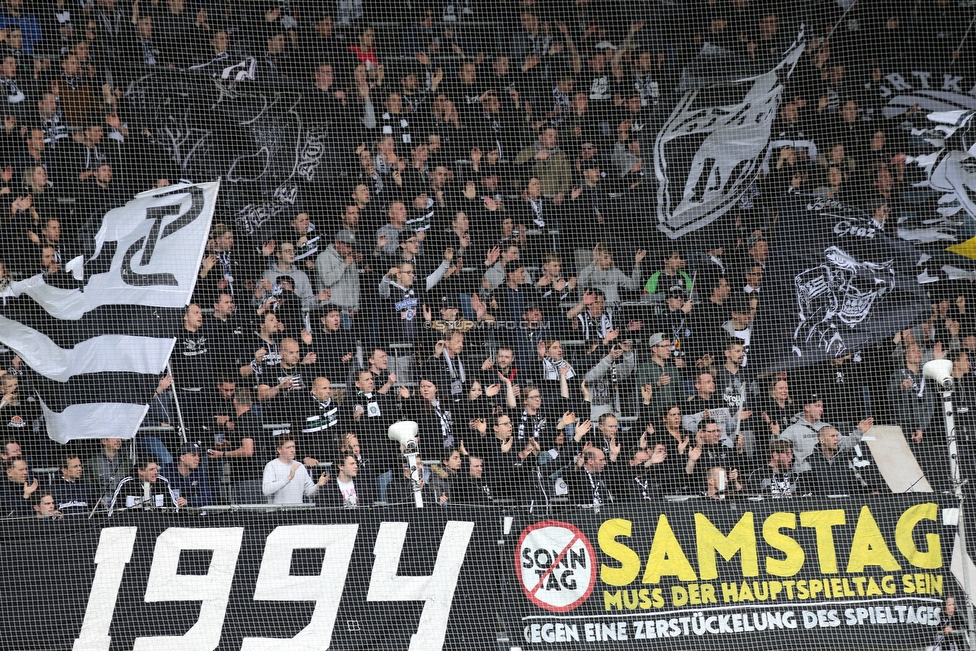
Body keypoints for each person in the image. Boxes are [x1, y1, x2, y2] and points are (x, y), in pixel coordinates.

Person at [262, 436, 329, 505]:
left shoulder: (299, 466)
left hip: (298, 512)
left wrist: (318, 486)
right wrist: (288, 478)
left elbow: (310, 493)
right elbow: (266, 490)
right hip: (277, 512)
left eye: (293, 447)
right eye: (288, 447)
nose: (292, 450)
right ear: (279, 450)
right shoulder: (271, 466)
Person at [108, 457, 181, 516]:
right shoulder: (126, 484)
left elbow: (174, 508)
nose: (156, 472)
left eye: (156, 469)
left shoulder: (163, 482)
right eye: (151, 469)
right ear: (140, 471)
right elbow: (113, 510)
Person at [162, 442, 212, 508]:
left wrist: (187, 501)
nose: (197, 458)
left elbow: (207, 498)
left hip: (194, 515)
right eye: (193, 455)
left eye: (198, 455)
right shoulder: (166, 472)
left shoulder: (200, 473)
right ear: (182, 458)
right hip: (171, 514)